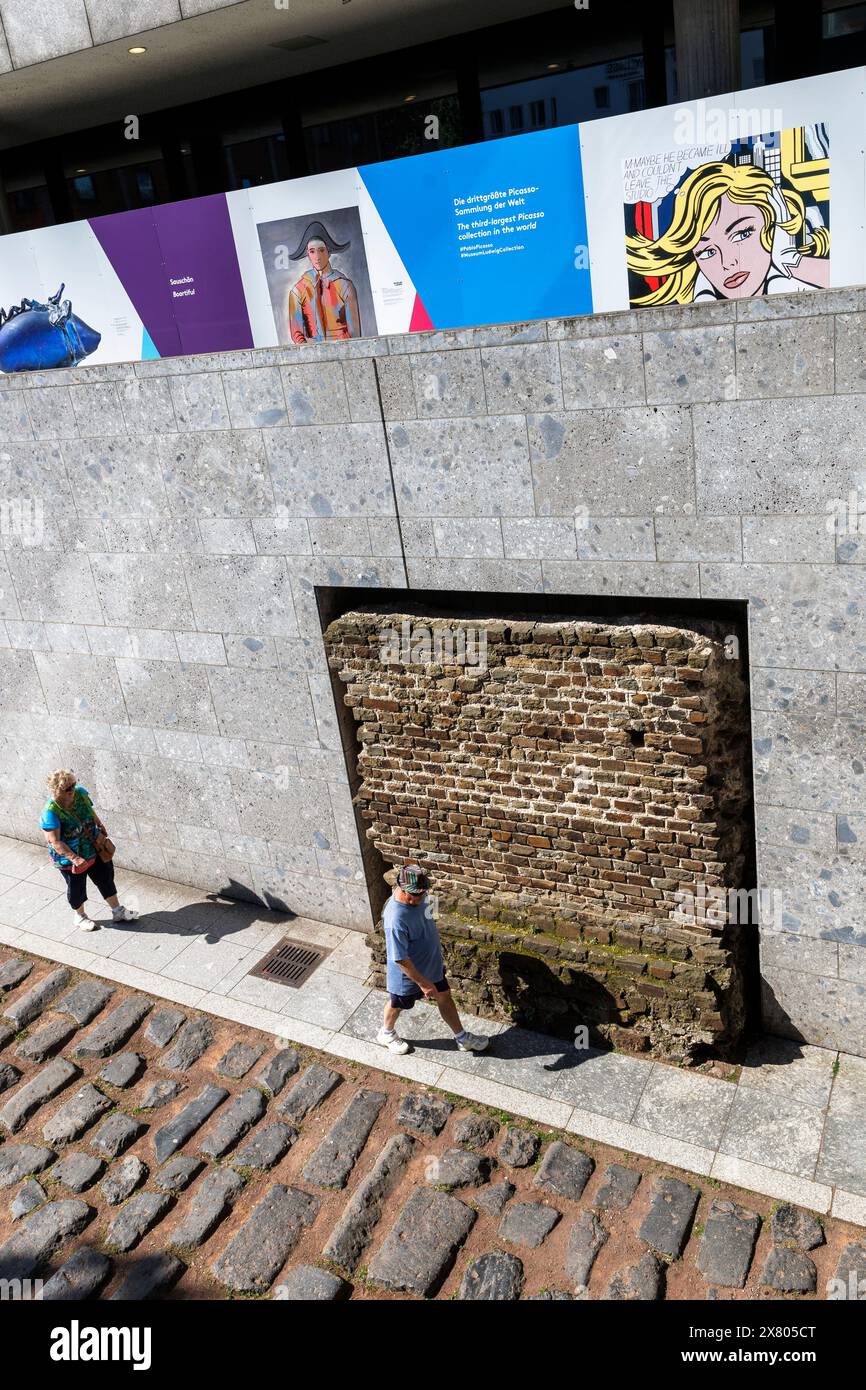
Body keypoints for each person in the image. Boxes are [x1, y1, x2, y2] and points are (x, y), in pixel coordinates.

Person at [626, 161, 829, 306]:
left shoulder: (792, 282)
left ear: (771, 226)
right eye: (707, 252)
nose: (727, 262)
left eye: (742, 234)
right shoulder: (701, 299)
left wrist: (791, 260)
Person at [376, 863, 490, 1055]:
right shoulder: (395, 919)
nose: (422, 897)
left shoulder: (422, 896)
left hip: (432, 966)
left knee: (444, 996)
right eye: (417, 894)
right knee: (397, 1004)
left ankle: (462, 1038)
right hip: (409, 975)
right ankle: (386, 1033)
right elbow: (400, 959)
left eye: (424, 892)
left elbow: (431, 914)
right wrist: (424, 983)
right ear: (403, 891)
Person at [40, 769, 139, 932]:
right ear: (57, 791)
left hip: (93, 845)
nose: (72, 789)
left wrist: (100, 825)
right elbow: (55, 841)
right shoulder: (50, 812)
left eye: (73, 784)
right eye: (68, 788)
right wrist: (74, 858)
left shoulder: (80, 793)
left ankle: (117, 911)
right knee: (77, 888)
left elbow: (89, 811)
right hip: (72, 857)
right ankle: (80, 916)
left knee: (105, 877)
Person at [287, 219, 361, 343]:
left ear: (329, 252)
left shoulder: (344, 285)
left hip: (343, 351)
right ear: (308, 254)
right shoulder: (297, 291)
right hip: (314, 354)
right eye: (312, 251)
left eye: (321, 250)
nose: (317, 257)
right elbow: (297, 334)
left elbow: (354, 332)